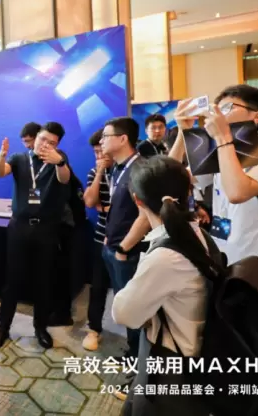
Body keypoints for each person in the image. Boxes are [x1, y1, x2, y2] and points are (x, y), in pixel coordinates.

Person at [169, 84, 258, 416]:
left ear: (257, 117)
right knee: (237, 357)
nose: (218, 113)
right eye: (217, 107)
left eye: (229, 107)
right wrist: (183, 132)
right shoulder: (221, 151)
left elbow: (236, 191)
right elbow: (169, 178)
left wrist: (222, 140)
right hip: (228, 271)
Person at [112, 157, 213, 416]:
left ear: (137, 201)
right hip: (195, 350)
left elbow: (124, 314)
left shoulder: (166, 256)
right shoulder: (197, 233)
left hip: (171, 364)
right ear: (188, 191)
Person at [0, 122, 72, 350]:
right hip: (19, 227)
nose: (46, 145)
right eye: (43, 139)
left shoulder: (59, 159)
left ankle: (40, 328)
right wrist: (1, 155)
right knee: (12, 280)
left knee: (43, 280)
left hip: (46, 229)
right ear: (36, 137)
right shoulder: (19, 158)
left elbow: (64, 179)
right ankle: (2, 328)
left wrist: (60, 162)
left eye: (52, 143)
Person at [100, 117, 151, 366]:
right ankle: (133, 353)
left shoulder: (139, 169)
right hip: (114, 247)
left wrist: (123, 248)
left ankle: (140, 362)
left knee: (134, 308)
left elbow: (146, 215)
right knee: (125, 303)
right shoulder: (118, 168)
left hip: (127, 252)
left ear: (122, 139)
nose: (101, 141)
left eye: (106, 136)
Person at [81, 129, 113, 352]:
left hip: (126, 238)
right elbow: (90, 202)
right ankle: (94, 328)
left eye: (102, 151)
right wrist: (100, 171)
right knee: (98, 286)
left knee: (126, 287)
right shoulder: (94, 172)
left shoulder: (125, 170)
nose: (100, 156)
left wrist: (109, 208)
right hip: (101, 236)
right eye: (95, 152)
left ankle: (135, 334)